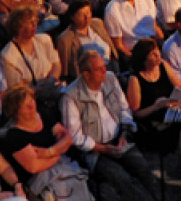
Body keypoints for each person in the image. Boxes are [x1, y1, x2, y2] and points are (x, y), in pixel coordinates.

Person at [60, 52, 156, 201]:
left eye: (104, 67)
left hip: (119, 139)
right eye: (99, 69)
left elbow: (124, 108)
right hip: (96, 151)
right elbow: (75, 136)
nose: (104, 71)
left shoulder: (110, 79)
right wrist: (103, 149)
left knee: (144, 169)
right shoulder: (71, 96)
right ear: (86, 74)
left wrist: (124, 134)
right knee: (122, 179)